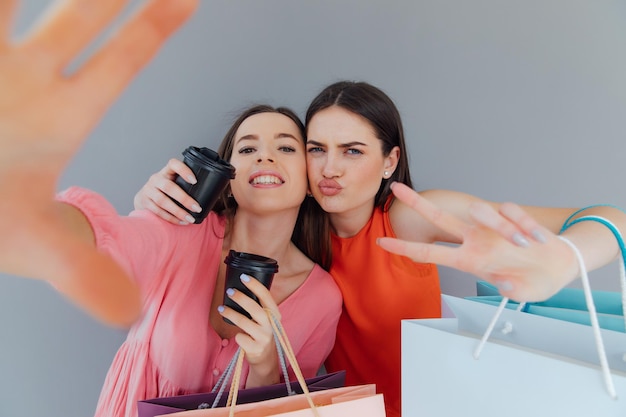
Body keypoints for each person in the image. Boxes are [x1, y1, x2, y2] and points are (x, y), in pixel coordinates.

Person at [135, 81, 626, 417]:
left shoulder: (410, 216)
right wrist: (154, 201)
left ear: (390, 161)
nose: (331, 169)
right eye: (316, 149)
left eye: (353, 151)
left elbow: (613, 216)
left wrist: (565, 257)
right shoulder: (297, 242)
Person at [0, 2, 342, 417]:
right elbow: (113, 241)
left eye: (286, 147)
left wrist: (266, 365)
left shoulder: (322, 297)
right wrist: (30, 216)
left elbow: (291, 410)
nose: (264, 157)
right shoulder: (179, 231)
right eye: (248, 148)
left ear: (309, 183)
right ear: (229, 180)